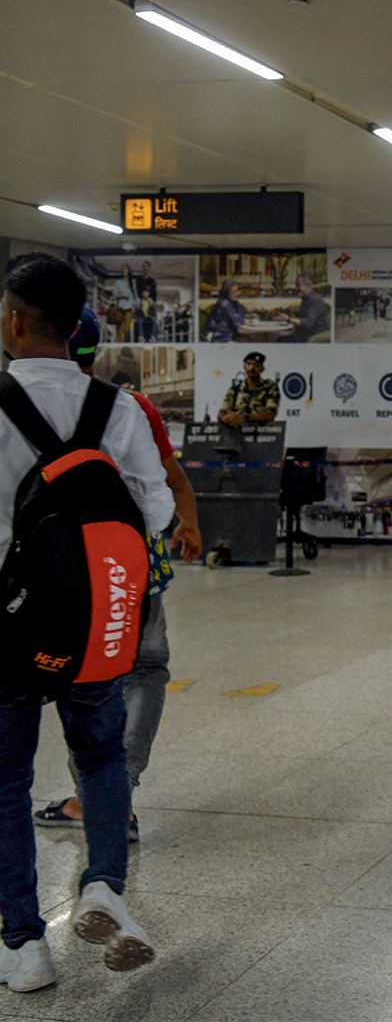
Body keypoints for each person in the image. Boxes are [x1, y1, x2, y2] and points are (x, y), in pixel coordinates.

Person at [0, 256, 174, 991]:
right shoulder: (120, 408)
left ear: (13, 320)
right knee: (99, 759)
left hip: (11, 627)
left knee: (7, 779)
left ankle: (22, 946)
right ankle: (103, 885)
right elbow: (158, 514)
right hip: (100, 622)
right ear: (76, 329)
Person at [34, 310, 203, 843]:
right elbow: (167, 486)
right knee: (146, 670)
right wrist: (184, 524)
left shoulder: (23, 402)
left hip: (56, 574)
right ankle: (115, 792)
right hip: (129, 570)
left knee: (77, 677)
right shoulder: (131, 406)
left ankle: (93, 798)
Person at [218, 351, 279, 427]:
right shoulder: (235, 390)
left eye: (256, 365)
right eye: (249, 364)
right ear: (244, 367)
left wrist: (245, 417)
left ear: (262, 369)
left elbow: (271, 414)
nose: (252, 368)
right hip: (237, 434)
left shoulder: (269, 388)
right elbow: (223, 412)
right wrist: (226, 418)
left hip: (261, 433)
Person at [272, 273, 328, 343]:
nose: (296, 288)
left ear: (307, 285)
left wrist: (288, 319)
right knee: (279, 338)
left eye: (298, 285)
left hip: (311, 336)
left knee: (280, 340)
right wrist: (291, 312)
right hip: (304, 334)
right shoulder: (307, 299)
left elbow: (308, 323)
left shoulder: (314, 300)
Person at [205, 278, 248, 343]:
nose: (237, 294)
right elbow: (237, 321)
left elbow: (243, 315)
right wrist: (244, 320)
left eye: (237, 291)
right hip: (220, 337)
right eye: (234, 292)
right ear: (226, 293)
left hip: (230, 335)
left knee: (248, 340)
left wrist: (248, 317)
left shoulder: (234, 302)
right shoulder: (223, 303)